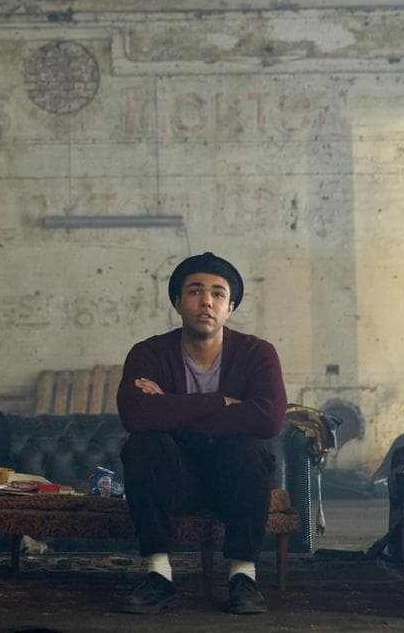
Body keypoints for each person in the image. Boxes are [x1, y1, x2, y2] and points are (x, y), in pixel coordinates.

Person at [114, 252, 287, 615]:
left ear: (231, 307)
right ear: (178, 302)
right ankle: (158, 576)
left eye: (218, 294)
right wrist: (222, 402)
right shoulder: (148, 353)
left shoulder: (258, 353)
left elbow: (269, 419)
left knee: (250, 448)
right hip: (175, 483)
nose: (206, 301)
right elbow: (135, 415)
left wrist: (171, 408)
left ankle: (243, 577)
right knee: (145, 444)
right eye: (194, 291)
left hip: (233, 483)